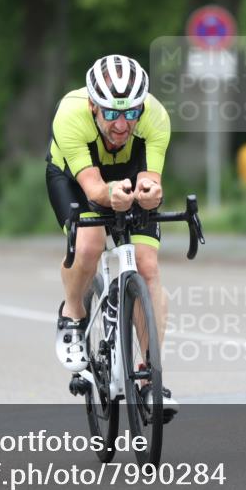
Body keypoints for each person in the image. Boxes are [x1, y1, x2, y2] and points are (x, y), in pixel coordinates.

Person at [46, 54, 178, 417]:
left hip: (128, 170)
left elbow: (152, 178)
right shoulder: (70, 116)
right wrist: (111, 196)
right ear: (93, 105)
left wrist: (151, 193)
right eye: (112, 114)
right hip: (75, 179)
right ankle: (73, 314)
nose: (122, 125)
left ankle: (152, 379)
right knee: (88, 245)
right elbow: (92, 188)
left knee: (148, 267)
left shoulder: (156, 117)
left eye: (131, 113)